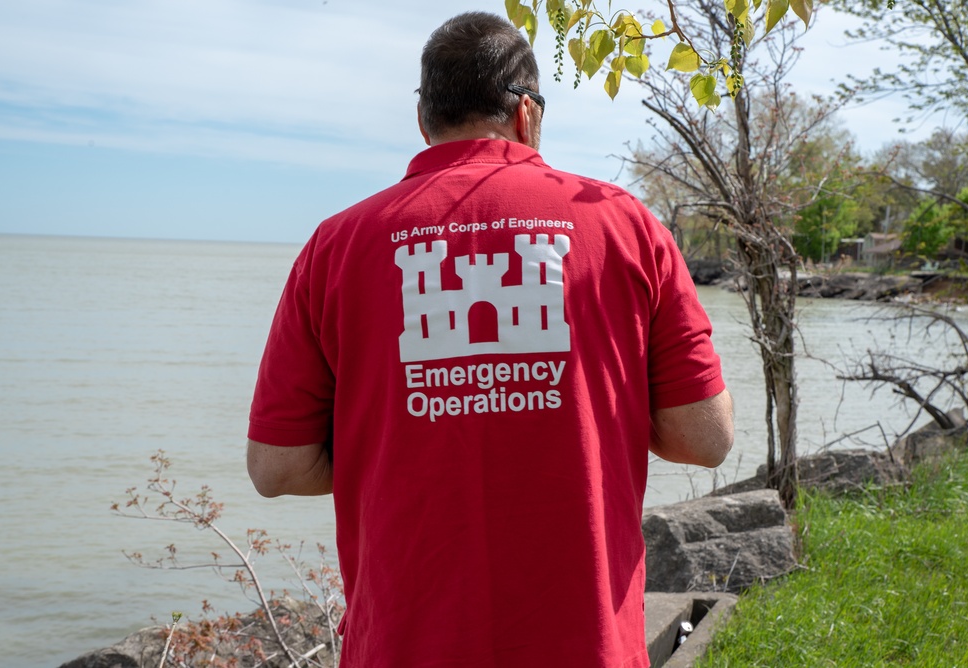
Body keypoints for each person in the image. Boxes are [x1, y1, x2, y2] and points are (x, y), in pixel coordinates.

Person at [247, 11, 733, 668]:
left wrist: (397, 444)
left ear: (424, 120)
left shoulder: (335, 246)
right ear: (527, 115)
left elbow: (276, 468)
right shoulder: (623, 225)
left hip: (403, 648)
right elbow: (704, 439)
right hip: (585, 648)